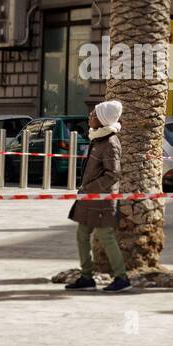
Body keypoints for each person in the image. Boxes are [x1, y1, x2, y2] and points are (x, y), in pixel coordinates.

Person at [66, 100, 130, 292]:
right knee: (81, 235)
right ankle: (86, 276)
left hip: (101, 199)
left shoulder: (110, 143)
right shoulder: (98, 138)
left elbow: (113, 174)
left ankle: (122, 278)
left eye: (93, 114)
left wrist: (90, 189)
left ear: (102, 120)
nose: (89, 116)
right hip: (89, 198)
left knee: (106, 236)